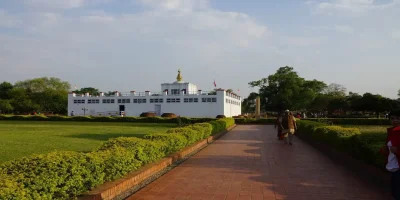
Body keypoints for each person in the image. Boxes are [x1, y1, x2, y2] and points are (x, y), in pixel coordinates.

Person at [380, 109, 400, 200]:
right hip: (393, 166)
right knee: (394, 192)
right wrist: (384, 150)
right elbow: (390, 148)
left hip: (399, 167)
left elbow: (396, 149)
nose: (395, 120)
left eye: (398, 118)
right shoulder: (392, 131)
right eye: (392, 118)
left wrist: (397, 151)